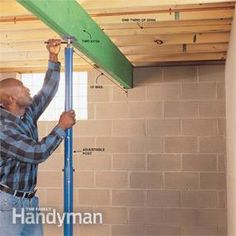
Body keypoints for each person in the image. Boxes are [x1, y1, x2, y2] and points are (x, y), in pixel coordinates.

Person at [0, 39, 76, 235]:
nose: (28, 90)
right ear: (11, 99)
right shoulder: (3, 128)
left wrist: (53, 56)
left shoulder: (25, 113)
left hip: (29, 200)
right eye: (23, 88)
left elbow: (47, 92)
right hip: (6, 204)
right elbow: (36, 153)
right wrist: (61, 127)